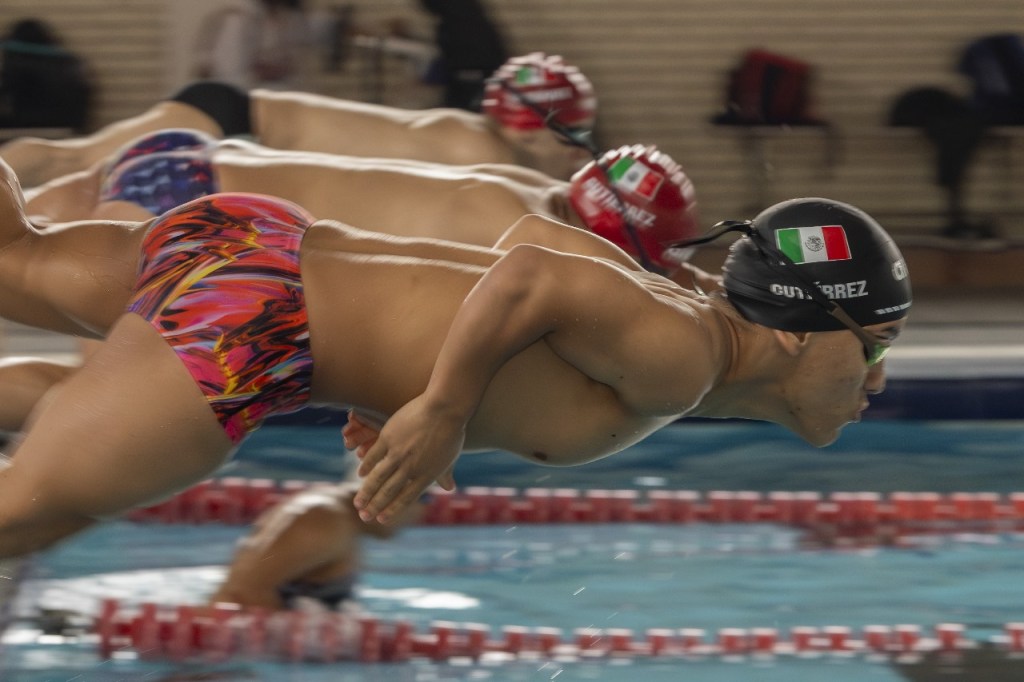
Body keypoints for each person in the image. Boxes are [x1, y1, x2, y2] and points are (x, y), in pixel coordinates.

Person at [0, 154, 911, 555]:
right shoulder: (684, 355)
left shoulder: (673, 307)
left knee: (15, 253)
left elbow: (522, 248)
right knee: (20, 521)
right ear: (801, 327)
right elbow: (528, 275)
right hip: (255, 322)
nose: (877, 378)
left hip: (256, 245)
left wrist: (416, 382)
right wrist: (438, 407)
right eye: (875, 346)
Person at [22, 129, 708, 287]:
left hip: (181, 156)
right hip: (193, 207)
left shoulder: (511, 182)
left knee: (15, 227)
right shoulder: (513, 231)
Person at [0, 51, 596, 188]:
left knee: (79, 167)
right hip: (234, 122)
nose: (575, 150)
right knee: (74, 160)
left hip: (241, 128)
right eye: (570, 135)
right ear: (528, 126)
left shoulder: (467, 135)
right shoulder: (479, 154)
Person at [208, 480, 426, 611]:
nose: (420, 515)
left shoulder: (341, 521)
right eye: (423, 500)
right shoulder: (325, 520)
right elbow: (243, 593)